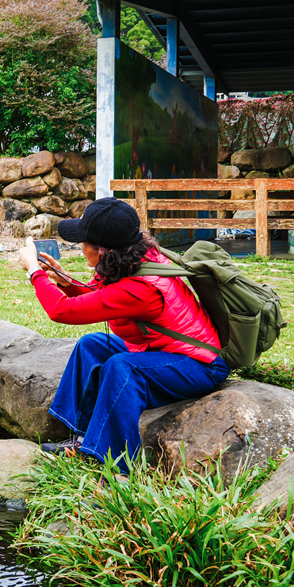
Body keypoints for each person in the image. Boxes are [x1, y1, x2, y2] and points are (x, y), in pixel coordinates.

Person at [16, 197, 230, 471]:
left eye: (83, 241)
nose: (80, 247)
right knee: (91, 345)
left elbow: (62, 312)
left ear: (101, 250)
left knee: (123, 367)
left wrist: (35, 272)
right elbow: (101, 297)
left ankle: (119, 470)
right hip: (161, 353)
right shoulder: (132, 260)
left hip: (199, 366)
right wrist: (62, 279)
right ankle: (82, 439)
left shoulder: (141, 288)